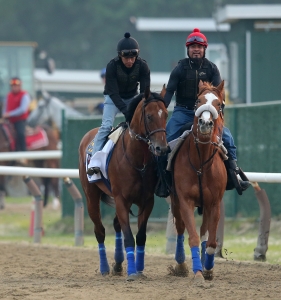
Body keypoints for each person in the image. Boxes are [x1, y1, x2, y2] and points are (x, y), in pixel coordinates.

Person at [160, 28, 250, 195]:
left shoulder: (212, 69)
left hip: (206, 112)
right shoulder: (179, 69)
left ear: (204, 49)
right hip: (182, 112)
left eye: (199, 46)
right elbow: (170, 91)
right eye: (193, 46)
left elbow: (218, 93)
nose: (196, 49)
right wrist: (162, 108)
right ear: (188, 49)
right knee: (167, 139)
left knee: (228, 138)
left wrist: (218, 110)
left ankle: (235, 175)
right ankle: (162, 180)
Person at [87, 32, 151, 175]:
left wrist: (135, 107)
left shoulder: (143, 66)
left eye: (132, 57)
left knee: (141, 125)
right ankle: (94, 160)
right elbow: (113, 93)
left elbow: (144, 92)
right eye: (126, 58)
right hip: (113, 98)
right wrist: (126, 110)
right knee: (106, 125)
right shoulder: (112, 66)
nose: (130, 61)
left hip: (133, 97)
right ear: (120, 56)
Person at [2, 77, 30, 152]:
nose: (14, 87)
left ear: (20, 86)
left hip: (20, 120)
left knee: (20, 133)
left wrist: (9, 114)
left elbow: (23, 109)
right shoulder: (8, 96)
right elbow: (5, 107)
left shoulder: (24, 95)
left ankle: (23, 152)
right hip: (9, 120)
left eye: (16, 86)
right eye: (12, 86)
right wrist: (4, 114)